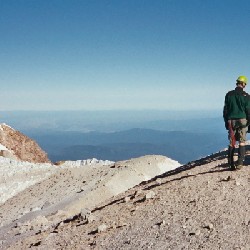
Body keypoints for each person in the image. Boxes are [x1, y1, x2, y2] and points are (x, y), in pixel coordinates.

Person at [223, 76, 250, 170]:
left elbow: (225, 110)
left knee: (232, 142)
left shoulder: (228, 95)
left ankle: (231, 164)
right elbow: (248, 110)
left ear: (237, 83)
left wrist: (226, 122)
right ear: (243, 84)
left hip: (231, 120)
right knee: (242, 142)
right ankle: (239, 163)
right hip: (243, 120)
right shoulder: (246, 96)